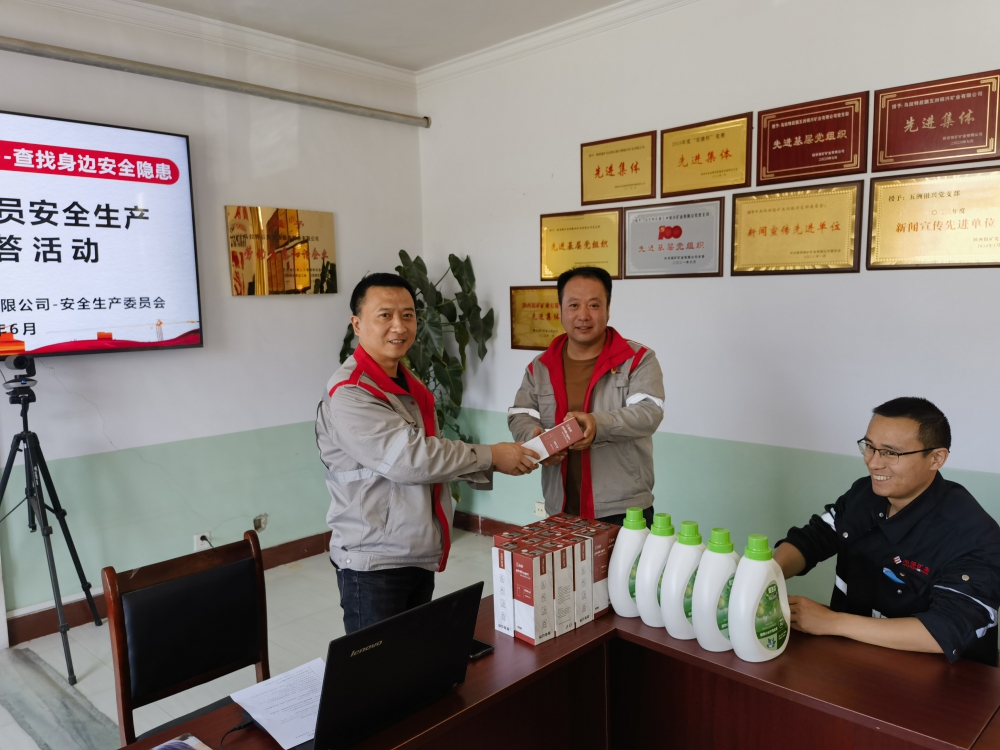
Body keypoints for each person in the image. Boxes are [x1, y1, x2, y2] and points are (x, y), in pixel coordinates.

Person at [316, 273, 539, 633]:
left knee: (414, 656)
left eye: (408, 315)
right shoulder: (351, 392)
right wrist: (492, 456)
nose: (399, 326)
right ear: (357, 324)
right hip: (374, 561)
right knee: (381, 664)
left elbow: (426, 462)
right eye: (385, 315)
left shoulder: (407, 383)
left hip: (412, 551)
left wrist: (498, 461)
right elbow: (410, 460)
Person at [775, 397, 1000, 665]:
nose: (873, 463)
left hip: (943, 677)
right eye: (869, 447)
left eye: (890, 453)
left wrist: (832, 622)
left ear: (936, 458)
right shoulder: (864, 494)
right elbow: (814, 538)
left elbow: (944, 630)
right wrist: (764, 574)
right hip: (854, 654)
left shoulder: (975, 535)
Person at [507, 266, 664, 525]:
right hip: (560, 505)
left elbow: (648, 413)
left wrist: (597, 424)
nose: (583, 315)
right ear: (560, 310)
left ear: (608, 310)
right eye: (574, 305)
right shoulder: (541, 366)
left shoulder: (637, 359)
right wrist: (537, 442)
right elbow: (521, 413)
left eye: (594, 305)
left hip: (623, 508)